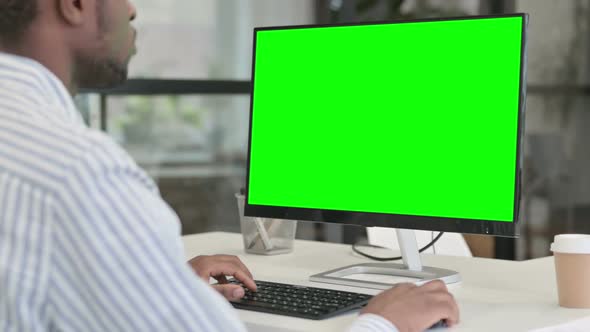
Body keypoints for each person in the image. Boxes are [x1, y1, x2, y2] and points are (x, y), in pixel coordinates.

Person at [0, 0, 460, 331]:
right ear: (73, 4)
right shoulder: (78, 174)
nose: (134, 11)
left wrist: (157, 281)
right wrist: (382, 324)